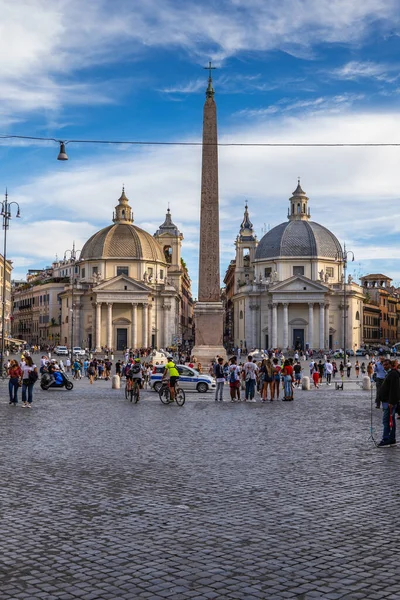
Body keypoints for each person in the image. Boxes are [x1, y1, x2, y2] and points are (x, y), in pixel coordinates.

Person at [377, 359, 399, 447]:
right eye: (383, 365)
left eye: (386, 365)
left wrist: (391, 401)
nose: (384, 366)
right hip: (387, 401)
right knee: (391, 420)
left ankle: (386, 438)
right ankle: (391, 438)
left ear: (390, 364)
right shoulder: (390, 373)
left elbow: (394, 389)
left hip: (389, 402)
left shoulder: (393, 374)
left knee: (386, 421)